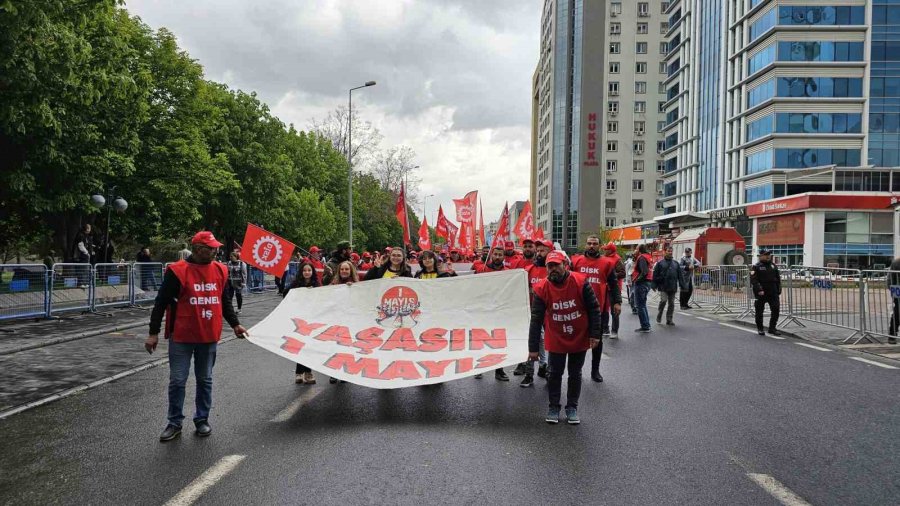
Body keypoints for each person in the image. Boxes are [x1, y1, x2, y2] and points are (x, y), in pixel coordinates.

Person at [145, 231, 246, 442]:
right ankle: (174, 422)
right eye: (211, 248)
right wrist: (153, 333)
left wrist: (235, 324)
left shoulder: (220, 270)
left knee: (205, 379)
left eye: (215, 248)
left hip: (208, 336)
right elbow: (160, 303)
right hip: (181, 336)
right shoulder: (177, 271)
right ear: (198, 249)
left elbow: (225, 301)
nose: (215, 251)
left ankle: (202, 419)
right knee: (177, 380)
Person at [529, 250, 606, 425]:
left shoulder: (580, 282)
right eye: (550, 266)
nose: (553, 269)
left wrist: (595, 334)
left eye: (557, 265)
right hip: (556, 336)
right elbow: (536, 319)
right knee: (554, 373)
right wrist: (533, 348)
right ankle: (554, 406)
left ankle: (572, 407)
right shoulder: (541, 289)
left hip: (579, 335)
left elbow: (594, 309)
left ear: (565, 265)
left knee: (575, 373)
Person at [572, 236, 622, 383]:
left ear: (599, 246)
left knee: (597, 341)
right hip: (578, 309)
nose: (591, 246)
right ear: (585, 245)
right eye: (589, 243)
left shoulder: (606, 263)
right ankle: (577, 370)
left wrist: (617, 302)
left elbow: (613, 284)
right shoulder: (576, 261)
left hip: (597, 310)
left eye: (595, 244)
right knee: (576, 341)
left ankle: (595, 370)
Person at [517, 239, 553, 387]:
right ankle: (529, 374)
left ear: (550, 252)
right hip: (533, 312)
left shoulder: (554, 269)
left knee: (549, 342)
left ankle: (546, 367)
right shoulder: (530, 269)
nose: (539, 253)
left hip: (551, 312)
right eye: (538, 251)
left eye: (542, 250)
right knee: (532, 340)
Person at [473, 247, 510, 381]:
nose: (498, 257)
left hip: (499, 311)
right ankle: (480, 368)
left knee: (498, 341)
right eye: (495, 254)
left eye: (500, 255)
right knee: (482, 339)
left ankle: (499, 370)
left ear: (504, 257)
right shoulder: (482, 269)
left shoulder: (508, 273)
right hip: (484, 310)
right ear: (491, 255)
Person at [285, 262, 319, 384]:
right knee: (299, 345)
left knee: (308, 346)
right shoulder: (295, 284)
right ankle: (300, 373)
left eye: (309, 270)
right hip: (299, 320)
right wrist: (300, 292)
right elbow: (285, 293)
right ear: (301, 272)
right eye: (304, 270)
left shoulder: (316, 285)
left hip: (311, 320)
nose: (307, 272)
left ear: (312, 272)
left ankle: (307, 372)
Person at [750, 249, 782, 336]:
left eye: (769, 254)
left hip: (773, 292)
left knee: (776, 309)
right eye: (766, 254)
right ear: (760, 256)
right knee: (759, 311)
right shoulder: (756, 266)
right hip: (761, 293)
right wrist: (759, 290)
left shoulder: (773, 265)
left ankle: (772, 328)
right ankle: (760, 328)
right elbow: (754, 280)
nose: (768, 256)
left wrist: (779, 289)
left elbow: (778, 279)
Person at [652, 247, 684, 326]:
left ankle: (669, 319)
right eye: (668, 251)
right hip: (663, 286)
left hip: (673, 286)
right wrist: (654, 285)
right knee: (663, 301)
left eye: (671, 251)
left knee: (672, 303)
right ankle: (659, 314)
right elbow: (655, 275)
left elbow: (680, 275)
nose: (670, 252)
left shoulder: (676, 263)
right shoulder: (660, 263)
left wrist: (682, 285)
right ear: (665, 252)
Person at [602, 242, 626, 339]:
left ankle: (614, 330)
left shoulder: (617, 259)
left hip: (614, 288)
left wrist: (611, 276)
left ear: (610, 250)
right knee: (604, 309)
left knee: (614, 310)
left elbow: (622, 273)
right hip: (604, 287)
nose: (604, 250)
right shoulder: (603, 258)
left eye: (606, 249)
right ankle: (605, 329)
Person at [632, 244, 654, 333]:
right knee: (643, 305)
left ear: (639, 250)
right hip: (647, 282)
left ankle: (645, 326)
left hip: (641, 283)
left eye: (636, 248)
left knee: (640, 305)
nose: (635, 250)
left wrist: (637, 280)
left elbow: (644, 272)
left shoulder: (641, 258)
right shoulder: (648, 256)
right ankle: (647, 325)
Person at [887, 256, 900, 344]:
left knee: (897, 314)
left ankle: (892, 335)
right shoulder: (896, 263)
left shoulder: (896, 262)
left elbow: (889, 280)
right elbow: (890, 279)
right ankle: (892, 335)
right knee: (897, 314)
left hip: (897, 292)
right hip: (898, 291)